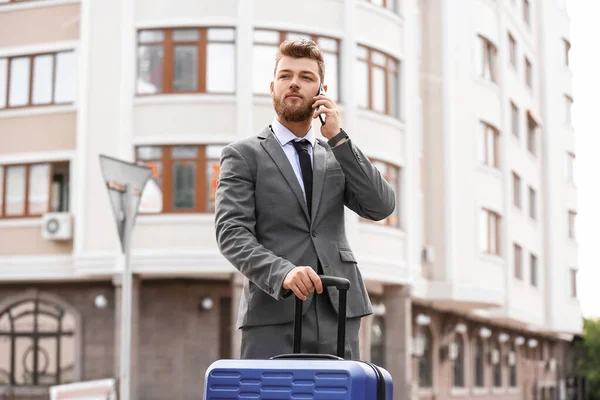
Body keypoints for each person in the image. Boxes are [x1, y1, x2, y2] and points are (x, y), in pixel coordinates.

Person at [214, 39, 395, 360]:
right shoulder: (243, 155)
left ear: (321, 91)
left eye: (306, 77)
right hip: (274, 312)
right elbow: (231, 234)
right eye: (285, 76)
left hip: (339, 309)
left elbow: (380, 206)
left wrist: (339, 138)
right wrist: (281, 272)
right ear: (273, 87)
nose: (294, 82)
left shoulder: (337, 153)